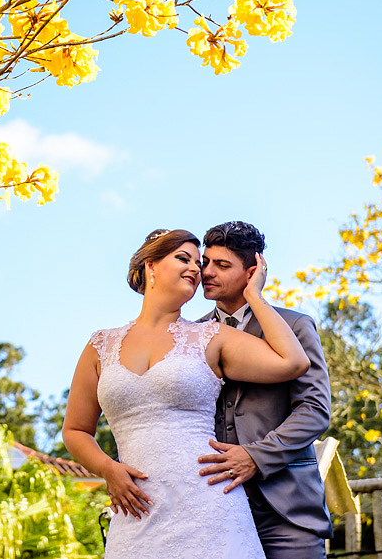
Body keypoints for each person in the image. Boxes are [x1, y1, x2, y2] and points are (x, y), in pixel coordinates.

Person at [62, 228, 310, 559]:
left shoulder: (211, 336)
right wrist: (108, 469)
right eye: (184, 258)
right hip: (135, 509)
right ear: (150, 266)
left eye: (200, 263)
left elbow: (293, 362)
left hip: (209, 504)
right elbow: (75, 430)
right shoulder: (100, 344)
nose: (198, 269)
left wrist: (254, 295)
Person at [196, 221, 333, 559]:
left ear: (252, 271)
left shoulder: (296, 326)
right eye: (206, 262)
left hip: (287, 511)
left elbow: (315, 410)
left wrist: (256, 456)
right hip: (212, 508)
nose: (207, 272)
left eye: (222, 265)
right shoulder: (189, 335)